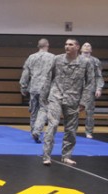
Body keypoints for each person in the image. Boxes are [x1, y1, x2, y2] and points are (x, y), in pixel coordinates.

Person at [40, 38, 94, 166]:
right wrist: (44, 96)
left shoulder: (86, 63)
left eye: (70, 44)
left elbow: (90, 84)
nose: (67, 46)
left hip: (73, 99)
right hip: (56, 95)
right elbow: (49, 77)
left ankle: (66, 156)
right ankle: (46, 156)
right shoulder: (57, 59)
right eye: (66, 44)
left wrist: (84, 101)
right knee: (52, 125)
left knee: (70, 129)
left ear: (77, 47)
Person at [20, 38, 55, 143]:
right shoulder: (53, 57)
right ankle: (37, 130)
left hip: (34, 87)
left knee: (34, 110)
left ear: (38, 46)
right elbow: (56, 74)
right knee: (44, 109)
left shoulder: (31, 57)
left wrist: (23, 86)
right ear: (47, 45)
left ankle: (33, 131)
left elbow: (26, 73)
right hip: (46, 87)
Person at [80, 42, 104, 139]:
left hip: (90, 89)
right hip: (76, 89)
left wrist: (99, 88)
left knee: (90, 112)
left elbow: (99, 76)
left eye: (89, 45)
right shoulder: (76, 59)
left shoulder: (95, 61)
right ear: (81, 49)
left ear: (91, 49)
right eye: (84, 45)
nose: (86, 47)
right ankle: (70, 130)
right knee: (72, 111)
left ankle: (88, 131)